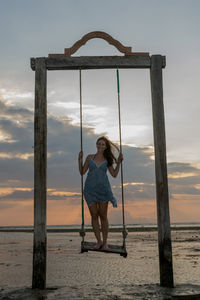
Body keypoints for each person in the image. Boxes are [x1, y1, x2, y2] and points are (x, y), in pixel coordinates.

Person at [78, 136, 123, 251]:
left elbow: (114, 174)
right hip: (90, 190)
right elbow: (82, 172)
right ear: (96, 144)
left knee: (103, 216)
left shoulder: (107, 160)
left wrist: (118, 163)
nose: (100, 146)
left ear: (106, 147)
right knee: (94, 216)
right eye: (99, 143)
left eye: (103, 144)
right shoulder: (89, 157)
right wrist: (79, 160)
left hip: (103, 190)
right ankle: (98, 242)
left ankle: (105, 243)